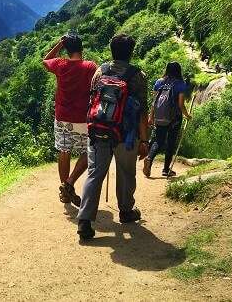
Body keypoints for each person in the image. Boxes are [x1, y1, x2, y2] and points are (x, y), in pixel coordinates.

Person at [77, 34, 150, 240]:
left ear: (112, 50)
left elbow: (92, 102)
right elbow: (142, 112)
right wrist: (144, 140)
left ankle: (84, 221)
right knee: (126, 172)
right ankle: (126, 211)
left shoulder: (100, 71)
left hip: (99, 130)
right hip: (126, 134)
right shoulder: (138, 76)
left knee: (95, 173)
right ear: (131, 52)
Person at [43, 32, 98, 207]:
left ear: (66, 50)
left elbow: (46, 59)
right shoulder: (90, 66)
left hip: (62, 118)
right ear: (81, 48)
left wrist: (60, 43)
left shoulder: (60, 64)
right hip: (82, 118)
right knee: (89, 151)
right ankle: (69, 182)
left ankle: (65, 192)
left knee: (64, 151)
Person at [143, 61, 192, 178]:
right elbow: (181, 104)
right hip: (174, 118)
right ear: (178, 71)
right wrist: (187, 115)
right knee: (171, 142)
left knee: (158, 141)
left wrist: (151, 117)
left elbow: (154, 102)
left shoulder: (159, 82)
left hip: (160, 117)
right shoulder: (180, 84)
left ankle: (149, 158)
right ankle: (166, 170)